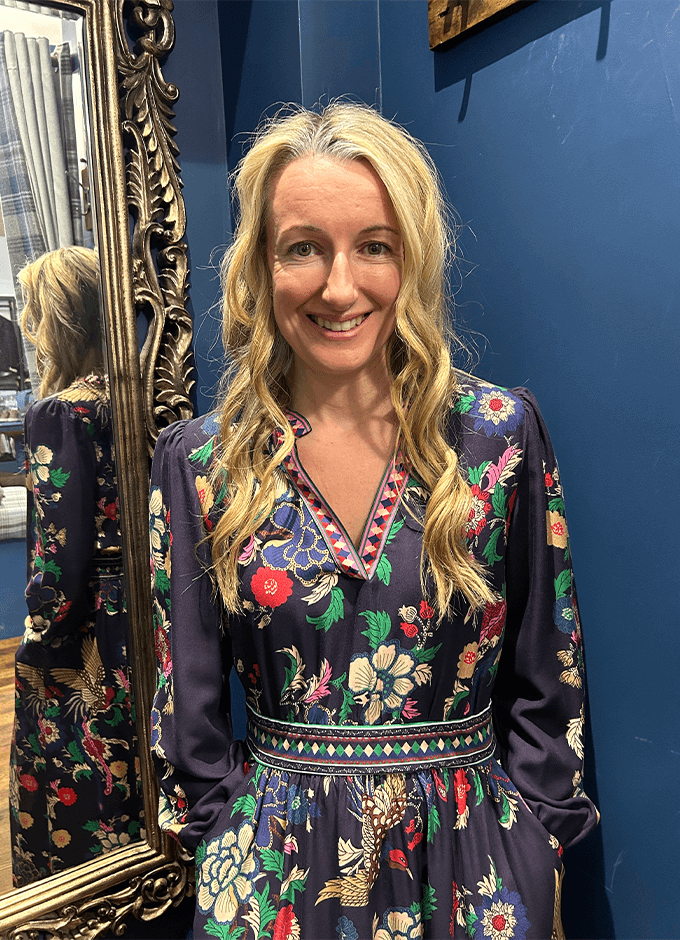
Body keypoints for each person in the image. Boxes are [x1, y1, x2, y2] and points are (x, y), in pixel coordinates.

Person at [150, 102, 598, 939]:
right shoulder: (204, 463)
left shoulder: (496, 436)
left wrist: (533, 839)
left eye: (374, 246)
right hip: (276, 878)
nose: (339, 286)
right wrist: (225, 841)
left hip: (475, 867)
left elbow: (551, 665)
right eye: (303, 247)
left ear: (411, 259)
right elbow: (187, 705)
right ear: (261, 265)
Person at [10, 247, 143, 886]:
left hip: (85, 623)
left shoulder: (60, 412)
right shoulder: (142, 401)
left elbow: (60, 552)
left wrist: (38, 636)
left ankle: (78, 889)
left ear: (57, 321)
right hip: (140, 608)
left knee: (73, 760)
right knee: (131, 756)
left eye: (36, 317)